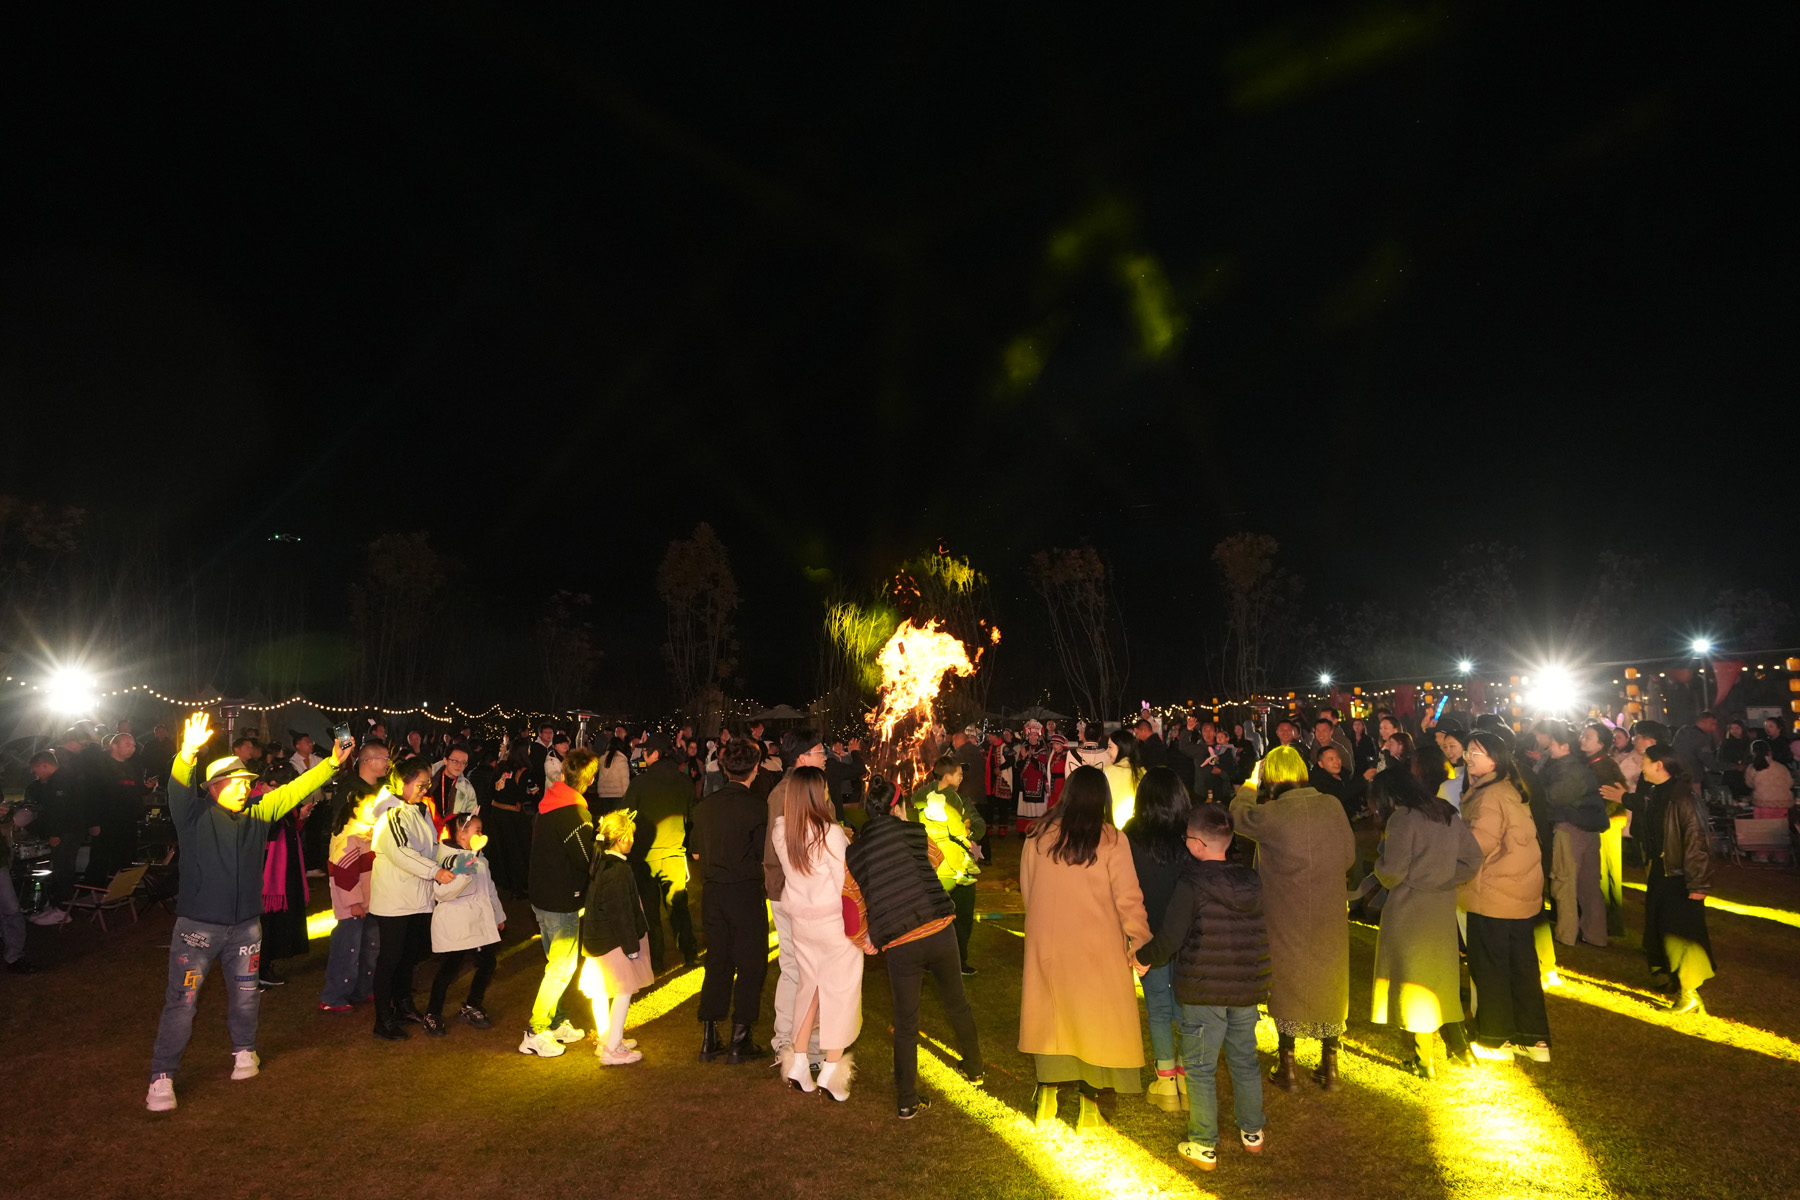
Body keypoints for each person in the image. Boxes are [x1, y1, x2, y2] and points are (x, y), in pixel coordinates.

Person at [146, 713, 348, 1112]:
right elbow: (178, 788)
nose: (244, 789)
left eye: (246, 783)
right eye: (236, 783)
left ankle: (244, 1050)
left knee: (245, 995)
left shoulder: (258, 813)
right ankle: (162, 1076)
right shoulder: (193, 815)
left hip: (245, 929)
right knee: (182, 1001)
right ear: (214, 787)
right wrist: (187, 754)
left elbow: (295, 789)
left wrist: (332, 764)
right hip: (197, 930)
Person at [1132, 803, 1268, 1172]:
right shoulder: (1251, 879)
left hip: (1204, 988)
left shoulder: (1191, 883)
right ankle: (1252, 1132)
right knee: (1244, 1059)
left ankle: (1204, 1144)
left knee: (1200, 1066)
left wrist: (1143, 956)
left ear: (1197, 843)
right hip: (1245, 986)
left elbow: (1171, 937)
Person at [1019, 765, 1151, 1130]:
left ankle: (1047, 1096)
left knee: (1051, 1018)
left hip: (1050, 942)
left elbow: (1028, 889)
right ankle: (1089, 1108)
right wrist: (1140, 941)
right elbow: (1129, 898)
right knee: (1095, 1022)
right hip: (1097, 946)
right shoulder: (1111, 839)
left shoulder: (1038, 835)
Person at [844, 785, 983, 1119]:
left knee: (906, 1021)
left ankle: (907, 1098)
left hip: (899, 943)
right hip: (938, 929)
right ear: (897, 809)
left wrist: (864, 940)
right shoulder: (915, 834)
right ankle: (975, 1068)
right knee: (957, 1002)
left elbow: (851, 903)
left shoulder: (855, 853)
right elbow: (936, 860)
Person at [1229, 746, 1356, 1090]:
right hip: (1328, 906)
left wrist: (1250, 783)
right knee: (1331, 977)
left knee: (1286, 976)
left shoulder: (1272, 814)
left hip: (1284, 907)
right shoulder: (1332, 805)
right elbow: (1348, 855)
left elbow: (1237, 816)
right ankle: (1329, 1064)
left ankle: (1287, 1065)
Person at [1366, 769, 1482, 1077]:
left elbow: (1392, 872)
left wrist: (1378, 866)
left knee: (1415, 982)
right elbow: (1473, 858)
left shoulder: (1402, 819)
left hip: (1410, 909)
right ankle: (1461, 1051)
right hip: (1441, 907)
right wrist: (1445, 881)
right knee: (1441, 978)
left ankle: (1424, 1060)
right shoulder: (1445, 812)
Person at [1458, 731, 1552, 1061]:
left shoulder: (1489, 795)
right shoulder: (1510, 788)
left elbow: (1477, 845)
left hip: (1494, 894)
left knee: (1491, 968)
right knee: (1522, 967)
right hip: (1520, 893)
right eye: (1467, 752)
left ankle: (1496, 1039)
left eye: (1475, 753)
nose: (1468, 759)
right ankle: (1533, 1039)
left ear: (1494, 760)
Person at [770, 765, 862, 1101]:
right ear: (816, 793)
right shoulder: (830, 832)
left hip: (802, 923)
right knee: (841, 994)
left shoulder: (782, 831)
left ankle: (798, 1062)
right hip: (833, 925)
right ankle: (831, 1071)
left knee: (808, 991)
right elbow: (845, 883)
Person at [690, 737, 770, 1063]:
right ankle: (740, 1038)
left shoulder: (705, 806)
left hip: (713, 893)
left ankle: (710, 1036)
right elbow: (764, 855)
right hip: (745, 892)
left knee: (718, 961)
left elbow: (696, 853)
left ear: (724, 767)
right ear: (755, 769)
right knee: (751, 964)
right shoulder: (757, 807)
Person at [521, 747, 599, 1057]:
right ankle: (536, 1030)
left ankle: (555, 1021)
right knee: (561, 968)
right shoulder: (574, 813)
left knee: (556, 964)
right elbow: (585, 860)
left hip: (542, 896)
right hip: (560, 899)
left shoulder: (549, 803)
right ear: (589, 779)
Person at [1121, 766, 1193, 1107]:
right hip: (1187, 934)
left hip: (1146, 934)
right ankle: (1188, 1079)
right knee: (1186, 1006)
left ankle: (1166, 1080)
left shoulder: (1131, 833)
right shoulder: (1189, 833)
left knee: (1158, 1006)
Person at [369, 759, 454, 1040]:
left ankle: (403, 1005)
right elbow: (401, 852)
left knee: (408, 957)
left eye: (427, 784)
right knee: (390, 958)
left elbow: (430, 847)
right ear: (401, 783)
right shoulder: (391, 814)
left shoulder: (418, 810)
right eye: (420, 784)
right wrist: (435, 871)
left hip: (417, 897)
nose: (425, 789)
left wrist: (452, 859)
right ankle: (383, 1019)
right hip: (395, 899)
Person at [1625, 746, 1714, 1013]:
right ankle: (1676, 982)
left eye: (1645, 761)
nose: (1641, 766)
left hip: (1678, 876)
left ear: (1659, 765)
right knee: (1660, 927)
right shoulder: (1660, 793)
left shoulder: (1682, 798)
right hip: (1663, 871)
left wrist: (1697, 884)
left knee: (1680, 933)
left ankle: (1689, 992)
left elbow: (1697, 841)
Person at [762, 730, 829, 1065]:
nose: (825, 757)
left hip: (814, 895)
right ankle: (786, 1041)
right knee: (793, 967)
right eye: (820, 752)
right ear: (802, 757)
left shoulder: (814, 788)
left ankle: (810, 1043)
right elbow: (782, 848)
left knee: (814, 971)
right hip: (790, 892)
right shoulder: (784, 793)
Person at [578, 808, 653, 1065]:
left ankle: (607, 1038)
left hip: (597, 938)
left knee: (601, 990)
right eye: (630, 836)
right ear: (621, 838)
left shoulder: (601, 863)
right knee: (623, 990)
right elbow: (621, 910)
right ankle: (613, 1048)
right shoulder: (618, 869)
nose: (633, 840)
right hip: (612, 941)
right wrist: (631, 945)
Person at [618, 732, 697, 970]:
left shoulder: (640, 783)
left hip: (645, 856)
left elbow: (625, 814)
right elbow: (692, 817)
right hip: (674, 852)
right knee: (678, 906)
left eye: (645, 751)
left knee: (650, 911)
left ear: (656, 754)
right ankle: (689, 951)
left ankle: (657, 959)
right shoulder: (684, 781)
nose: (643, 755)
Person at [426, 813, 506, 1034]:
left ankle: (472, 1005)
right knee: (449, 969)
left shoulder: (479, 858)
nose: (481, 834)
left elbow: (488, 888)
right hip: (456, 924)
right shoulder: (449, 861)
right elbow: (442, 893)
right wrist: (463, 874)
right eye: (477, 830)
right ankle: (433, 1013)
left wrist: (498, 915)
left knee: (487, 963)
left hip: (478, 923)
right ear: (461, 834)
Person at [904, 755, 984, 974]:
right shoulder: (949, 801)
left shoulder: (923, 799)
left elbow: (978, 825)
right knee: (954, 916)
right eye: (959, 773)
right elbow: (978, 826)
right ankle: (949, 961)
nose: (962, 777)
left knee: (945, 916)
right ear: (947, 776)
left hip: (938, 868)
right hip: (949, 868)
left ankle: (944, 961)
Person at [1539, 722, 1609, 948]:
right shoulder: (1578, 767)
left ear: (1564, 746)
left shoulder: (1568, 769)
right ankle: (1595, 934)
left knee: (1564, 883)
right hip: (1589, 829)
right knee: (1589, 885)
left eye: (1552, 743)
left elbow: (1553, 797)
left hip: (1570, 829)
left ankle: (1566, 934)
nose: (1549, 747)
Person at [318, 784, 380, 1013]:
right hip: (353, 907)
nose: (375, 810)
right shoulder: (349, 839)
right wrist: (354, 903)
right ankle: (334, 997)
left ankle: (362, 990)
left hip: (368, 904)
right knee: (348, 951)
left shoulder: (366, 836)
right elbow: (344, 875)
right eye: (370, 806)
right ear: (356, 809)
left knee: (368, 949)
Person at [1582, 723, 1630, 939]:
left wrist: (1597, 819)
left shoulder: (1602, 765)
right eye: (1583, 735)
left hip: (1606, 824)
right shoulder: (1597, 762)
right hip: (1608, 822)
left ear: (1601, 743)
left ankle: (1609, 922)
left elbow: (1612, 796)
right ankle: (1610, 921)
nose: (1583, 739)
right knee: (1607, 874)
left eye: (1588, 737)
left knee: (1606, 874)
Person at [25, 751, 83, 925]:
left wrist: (55, 833)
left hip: (66, 832)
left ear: (44, 765)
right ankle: (58, 906)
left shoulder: (61, 780)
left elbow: (60, 810)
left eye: (36, 770)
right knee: (62, 868)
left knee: (63, 869)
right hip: (70, 830)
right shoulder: (63, 777)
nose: (36, 775)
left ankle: (62, 910)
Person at [86, 731, 149, 885]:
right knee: (101, 858)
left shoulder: (133, 767)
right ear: (114, 746)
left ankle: (122, 889)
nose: (132, 748)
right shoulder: (99, 766)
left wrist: (147, 787)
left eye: (133, 745)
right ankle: (95, 890)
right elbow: (91, 795)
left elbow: (136, 790)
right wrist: (93, 822)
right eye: (128, 745)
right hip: (106, 821)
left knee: (126, 857)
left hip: (128, 820)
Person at [426, 745, 478, 836]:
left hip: (449, 834)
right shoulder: (428, 777)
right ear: (445, 760)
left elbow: (471, 816)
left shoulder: (467, 789)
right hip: (424, 829)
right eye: (455, 761)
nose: (459, 765)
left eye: (463, 762)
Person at [1101, 728, 1147, 827]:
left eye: (1110, 747)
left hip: (1111, 829)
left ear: (1121, 748)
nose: (1107, 751)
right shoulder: (1142, 773)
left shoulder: (1107, 772)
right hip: (1134, 829)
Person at [1743, 740, 1794, 817]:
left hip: (1762, 803)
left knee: (1763, 824)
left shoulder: (1752, 768)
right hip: (1783, 803)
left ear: (1753, 752)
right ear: (1769, 752)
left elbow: (1749, 784)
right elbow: (1790, 783)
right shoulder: (1781, 767)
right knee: (1780, 824)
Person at [594, 736, 633, 807]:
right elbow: (624, 780)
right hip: (618, 795)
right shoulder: (621, 760)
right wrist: (627, 796)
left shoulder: (602, 759)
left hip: (603, 794)